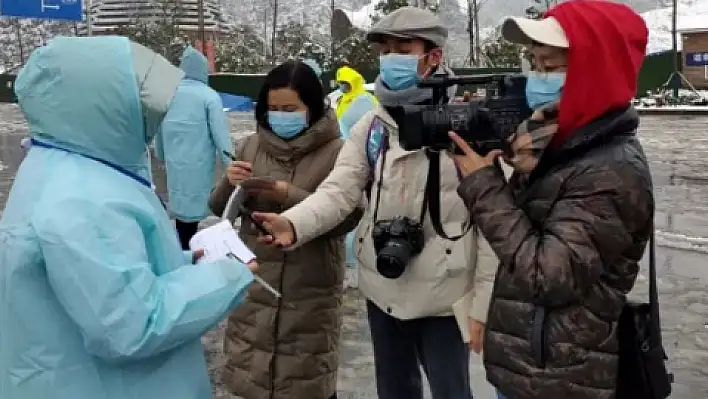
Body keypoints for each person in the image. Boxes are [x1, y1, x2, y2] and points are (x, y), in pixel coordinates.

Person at [250, 7, 499, 399]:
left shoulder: (470, 126)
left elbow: (492, 225)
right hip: (382, 286)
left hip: (444, 301)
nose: (390, 56)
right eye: (385, 48)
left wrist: (483, 306)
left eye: (404, 46)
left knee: (452, 391)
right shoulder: (374, 126)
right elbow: (339, 190)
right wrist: (294, 223)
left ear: (434, 56)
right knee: (395, 391)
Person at [0, 36, 256, 399]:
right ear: (98, 104)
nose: (152, 110)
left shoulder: (64, 163)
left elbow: (95, 273)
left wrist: (178, 262)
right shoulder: (82, 198)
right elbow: (131, 325)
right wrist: (227, 275)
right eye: (137, 97)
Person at [450, 2, 654, 398]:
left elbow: (548, 277)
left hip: (560, 381)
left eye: (552, 66)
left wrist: (484, 188)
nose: (538, 79)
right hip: (532, 370)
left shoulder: (609, 170)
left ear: (594, 72)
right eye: (535, 64)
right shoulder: (556, 146)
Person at [209, 60, 362, 399]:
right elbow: (220, 209)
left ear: (312, 107)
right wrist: (229, 183)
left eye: (290, 109)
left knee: (304, 381)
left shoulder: (339, 152)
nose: (281, 116)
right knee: (253, 379)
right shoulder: (251, 145)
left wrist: (285, 193)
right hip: (255, 286)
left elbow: (349, 216)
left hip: (309, 290)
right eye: (274, 108)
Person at [154, 45, 232, 250]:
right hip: (198, 164)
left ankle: (183, 247)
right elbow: (220, 134)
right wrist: (230, 164)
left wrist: (162, 154)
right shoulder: (209, 97)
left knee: (180, 207)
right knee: (197, 207)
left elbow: (159, 131)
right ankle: (193, 250)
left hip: (174, 165)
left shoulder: (168, 96)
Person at [334, 65, 379, 289]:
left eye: (346, 82)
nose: (342, 86)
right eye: (340, 82)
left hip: (364, 161)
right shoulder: (343, 99)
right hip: (344, 159)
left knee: (358, 214)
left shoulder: (364, 100)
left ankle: (355, 266)